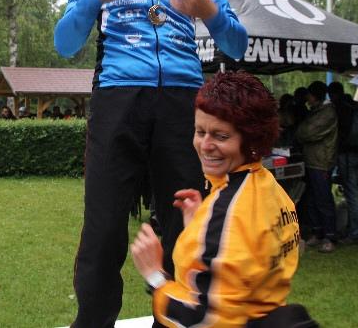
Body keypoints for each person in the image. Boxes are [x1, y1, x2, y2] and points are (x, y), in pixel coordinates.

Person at [54, 0, 248, 328]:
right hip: (118, 100)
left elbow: (237, 44)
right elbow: (65, 42)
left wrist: (210, 12)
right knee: (104, 228)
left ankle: (179, 319)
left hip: (182, 103)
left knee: (186, 225)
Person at [129, 71, 310, 327]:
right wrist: (201, 225)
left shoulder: (227, 211)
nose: (205, 145)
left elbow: (201, 318)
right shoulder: (269, 187)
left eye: (221, 136)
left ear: (252, 138)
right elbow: (248, 256)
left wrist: (155, 276)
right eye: (199, 131)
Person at [296, 80, 339, 253]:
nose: (307, 99)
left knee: (323, 200)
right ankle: (317, 232)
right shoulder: (316, 111)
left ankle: (330, 236)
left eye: (309, 95)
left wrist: (300, 131)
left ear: (315, 96)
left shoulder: (327, 113)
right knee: (312, 199)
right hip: (312, 160)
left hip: (321, 163)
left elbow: (307, 132)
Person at [328, 82, 358, 245]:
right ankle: (353, 229)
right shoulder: (352, 105)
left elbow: (341, 133)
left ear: (333, 94)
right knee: (352, 192)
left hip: (347, 154)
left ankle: (355, 233)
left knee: (351, 193)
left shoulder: (342, 108)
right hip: (356, 153)